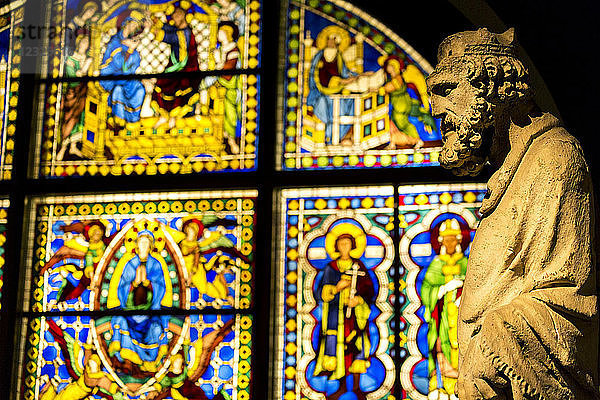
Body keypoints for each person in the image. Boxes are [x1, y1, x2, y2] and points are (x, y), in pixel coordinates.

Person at [426, 28, 599, 399]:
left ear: (493, 86)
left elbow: (569, 297)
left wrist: (493, 340)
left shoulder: (554, 157)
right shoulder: (507, 177)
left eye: (447, 90)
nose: (436, 110)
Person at [314, 232, 374, 400]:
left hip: (355, 316)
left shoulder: (359, 266)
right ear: (336, 247)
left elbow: (369, 289)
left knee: (357, 347)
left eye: (347, 244)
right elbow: (320, 293)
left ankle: (357, 387)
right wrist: (336, 288)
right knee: (339, 349)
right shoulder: (330, 268)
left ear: (353, 245)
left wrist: (359, 299)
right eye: (341, 244)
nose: (344, 247)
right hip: (336, 317)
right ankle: (341, 387)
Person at [107, 229, 172, 374]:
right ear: (136, 245)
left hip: (150, 310)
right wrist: (134, 284)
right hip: (131, 309)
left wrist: (149, 284)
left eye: (146, 243)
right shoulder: (130, 264)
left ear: (151, 245)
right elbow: (121, 286)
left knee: (156, 328)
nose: (143, 245)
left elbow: (161, 285)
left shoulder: (156, 264)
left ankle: (150, 361)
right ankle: (128, 361)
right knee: (121, 321)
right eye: (141, 242)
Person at [421, 219, 468, 399]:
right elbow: (426, 290)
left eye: (452, 240)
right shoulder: (436, 265)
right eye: (446, 240)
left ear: (457, 241)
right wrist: (442, 289)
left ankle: (463, 387)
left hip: (462, 317)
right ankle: (442, 387)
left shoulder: (466, 263)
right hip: (441, 319)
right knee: (441, 347)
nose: (449, 243)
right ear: (441, 242)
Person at [151, 6, 202, 129]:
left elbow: (170, 37)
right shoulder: (180, 29)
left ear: (183, 16)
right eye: (173, 16)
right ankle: (164, 115)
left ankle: (173, 117)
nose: (174, 18)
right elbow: (169, 28)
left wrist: (154, 30)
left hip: (183, 69)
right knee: (160, 86)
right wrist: (155, 21)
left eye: (177, 16)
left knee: (171, 88)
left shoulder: (184, 33)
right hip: (175, 67)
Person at [100, 9, 147, 130]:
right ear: (126, 23)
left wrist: (132, 49)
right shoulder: (115, 41)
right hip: (110, 78)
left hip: (124, 77)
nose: (134, 28)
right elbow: (119, 63)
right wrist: (131, 49)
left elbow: (133, 64)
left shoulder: (132, 41)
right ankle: (118, 121)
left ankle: (132, 121)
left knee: (140, 89)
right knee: (118, 90)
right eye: (133, 24)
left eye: (136, 26)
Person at [307, 31, 357, 145]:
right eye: (329, 40)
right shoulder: (319, 56)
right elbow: (312, 73)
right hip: (320, 92)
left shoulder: (339, 56)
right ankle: (326, 137)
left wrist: (352, 77)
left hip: (338, 91)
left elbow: (344, 72)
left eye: (333, 41)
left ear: (337, 43)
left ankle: (338, 137)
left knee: (346, 106)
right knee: (322, 105)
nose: (331, 43)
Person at [378, 56, 437, 149]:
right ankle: (393, 142)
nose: (388, 67)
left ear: (394, 66)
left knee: (402, 121)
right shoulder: (391, 78)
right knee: (393, 120)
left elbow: (392, 87)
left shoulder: (398, 78)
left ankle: (418, 140)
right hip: (395, 104)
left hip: (402, 103)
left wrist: (382, 89)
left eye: (390, 65)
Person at [58, 35, 93, 160]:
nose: (85, 44)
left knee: (79, 120)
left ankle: (73, 147)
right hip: (72, 94)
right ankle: (62, 148)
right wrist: (85, 66)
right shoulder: (70, 59)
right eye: (83, 41)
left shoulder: (89, 59)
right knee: (69, 120)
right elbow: (74, 76)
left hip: (83, 93)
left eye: (87, 42)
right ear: (78, 43)